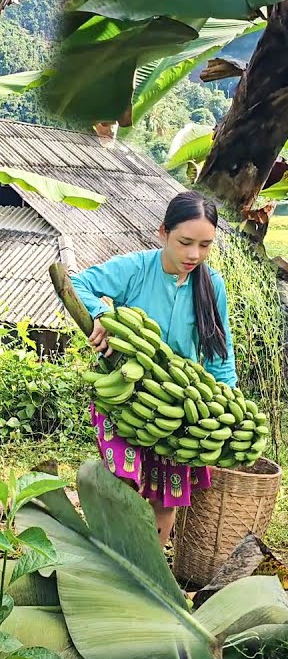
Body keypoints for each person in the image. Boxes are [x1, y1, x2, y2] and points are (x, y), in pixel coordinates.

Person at [71, 190, 236, 545]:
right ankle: (113, 555)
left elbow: (220, 353)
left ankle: (152, 565)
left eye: (205, 245)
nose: (194, 254)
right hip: (125, 397)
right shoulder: (135, 269)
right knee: (123, 481)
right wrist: (101, 316)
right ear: (163, 233)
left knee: (167, 492)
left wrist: (227, 401)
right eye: (185, 242)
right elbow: (76, 283)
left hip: (179, 403)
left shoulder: (212, 287)